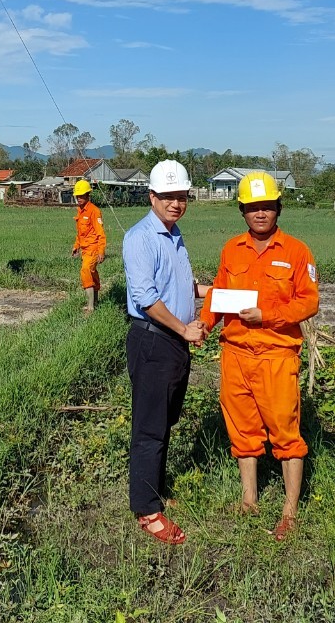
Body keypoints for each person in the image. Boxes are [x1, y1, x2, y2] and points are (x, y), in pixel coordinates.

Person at [199, 171, 319, 540]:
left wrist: (268, 315)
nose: (260, 214)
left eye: (267, 206)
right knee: (243, 430)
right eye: (253, 208)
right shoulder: (231, 249)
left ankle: (290, 512)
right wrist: (203, 325)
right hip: (235, 353)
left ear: (278, 208)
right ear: (242, 212)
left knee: (286, 432)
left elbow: (309, 301)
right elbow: (218, 292)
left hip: (276, 356)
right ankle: (249, 499)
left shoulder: (297, 251)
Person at [122, 159, 210, 545]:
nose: (176, 203)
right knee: (149, 427)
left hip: (175, 342)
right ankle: (146, 509)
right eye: (169, 197)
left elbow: (183, 286)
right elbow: (145, 297)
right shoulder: (140, 237)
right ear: (152, 197)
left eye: (182, 197)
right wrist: (183, 329)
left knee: (166, 419)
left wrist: (223, 292)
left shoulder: (175, 236)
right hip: (154, 339)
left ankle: (154, 488)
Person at [70, 179, 106, 313]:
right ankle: (95, 302)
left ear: (88, 195)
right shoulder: (80, 211)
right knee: (92, 273)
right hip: (85, 249)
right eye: (77, 196)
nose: (79, 198)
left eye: (82, 195)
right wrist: (76, 246)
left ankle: (90, 307)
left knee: (85, 271)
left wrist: (101, 251)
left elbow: (100, 233)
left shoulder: (94, 211)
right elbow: (80, 233)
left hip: (93, 249)